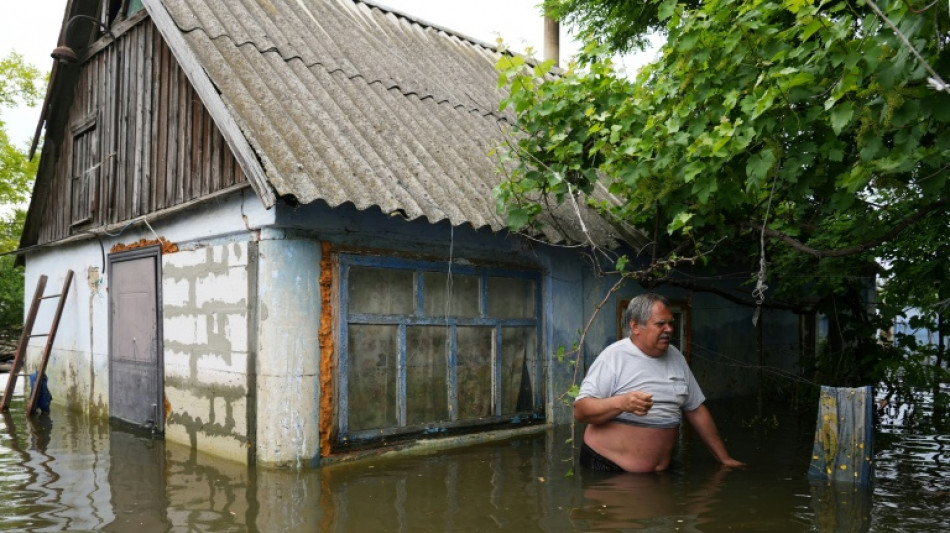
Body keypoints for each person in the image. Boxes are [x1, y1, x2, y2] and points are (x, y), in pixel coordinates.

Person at [574, 293, 745, 473]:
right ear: (635, 326)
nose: (669, 329)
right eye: (660, 324)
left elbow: (696, 410)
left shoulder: (676, 357)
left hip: (658, 473)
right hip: (608, 468)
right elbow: (581, 410)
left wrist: (724, 458)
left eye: (671, 323)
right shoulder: (614, 357)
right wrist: (621, 403)